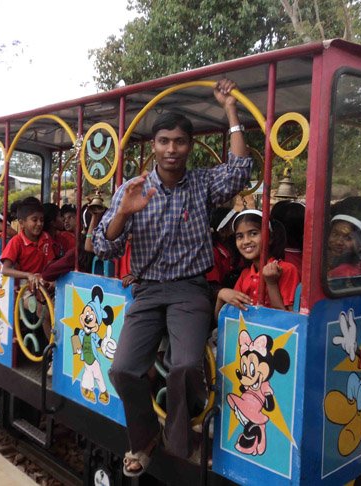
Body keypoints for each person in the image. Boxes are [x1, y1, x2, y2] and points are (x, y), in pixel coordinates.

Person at [93, 78, 252, 476]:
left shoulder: (200, 184)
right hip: (148, 291)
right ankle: (145, 435)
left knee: (185, 366)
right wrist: (123, 214)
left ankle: (179, 442)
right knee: (122, 369)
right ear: (154, 146)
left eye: (179, 142)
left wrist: (230, 109)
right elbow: (104, 247)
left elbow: (239, 171)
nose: (171, 149)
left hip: (189, 290)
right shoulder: (132, 189)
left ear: (189, 147)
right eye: (164, 141)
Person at [215, 210, 300, 316]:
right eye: (240, 236)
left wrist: (271, 283)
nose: (246, 241)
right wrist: (221, 295)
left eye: (253, 233)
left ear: (270, 238)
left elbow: (287, 319)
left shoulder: (286, 269)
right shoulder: (245, 274)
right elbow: (225, 320)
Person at [0, 197, 51, 290]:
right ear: (22, 223)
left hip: (43, 280)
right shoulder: (16, 241)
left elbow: (50, 262)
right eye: (34, 220)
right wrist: (28, 275)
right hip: (25, 283)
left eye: (41, 220)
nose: (39, 223)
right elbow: (5, 270)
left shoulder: (46, 237)